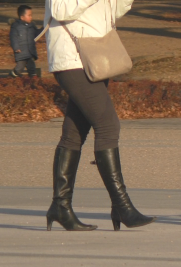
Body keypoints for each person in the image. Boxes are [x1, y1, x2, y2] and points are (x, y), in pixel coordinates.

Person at [44, 0, 156, 231]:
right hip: (72, 57)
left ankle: (61, 207)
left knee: (74, 134)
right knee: (107, 126)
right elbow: (60, 10)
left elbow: (115, 11)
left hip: (97, 54)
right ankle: (122, 206)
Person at [9, 5, 43, 78]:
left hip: (30, 51)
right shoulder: (16, 27)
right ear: (22, 17)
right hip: (21, 52)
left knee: (31, 66)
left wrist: (43, 29)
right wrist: (16, 47)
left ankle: (33, 79)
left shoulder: (32, 25)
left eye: (31, 15)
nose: (31, 17)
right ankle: (11, 76)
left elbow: (36, 34)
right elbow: (13, 38)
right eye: (29, 15)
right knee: (20, 67)